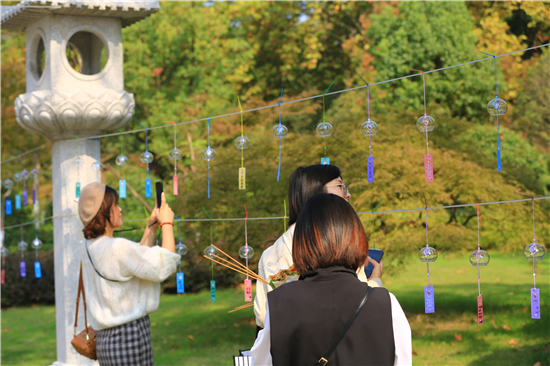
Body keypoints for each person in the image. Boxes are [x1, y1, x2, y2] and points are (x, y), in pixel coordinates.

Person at [251, 194, 412, 365]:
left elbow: (260, 361)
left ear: (302, 242)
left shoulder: (280, 303)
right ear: (356, 238)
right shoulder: (386, 304)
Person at [254, 164, 383, 330]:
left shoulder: (272, 252)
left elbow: (265, 318)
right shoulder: (338, 243)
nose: (348, 194)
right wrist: (375, 283)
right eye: (340, 186)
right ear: (317, 193)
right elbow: (355, 308)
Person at [77, 182, 180, 366]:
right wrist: (167, 223)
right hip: (129, 337)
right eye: (115, 205)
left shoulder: (89, 247)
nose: (120, 209)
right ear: (105, 211)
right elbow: (162, 266)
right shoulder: (117, 248)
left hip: (105, 342)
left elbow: (136, 263)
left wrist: (151, 227)